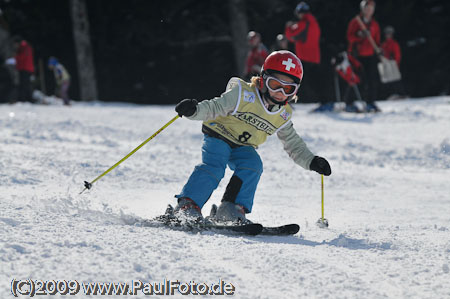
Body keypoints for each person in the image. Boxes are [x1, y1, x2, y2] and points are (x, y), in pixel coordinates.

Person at [173, 50, 332, 223]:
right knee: (215, 166)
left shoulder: (283, 115)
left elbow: (293, 144)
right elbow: (214, 107)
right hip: (219, 134)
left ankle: (231, 208)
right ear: (263, 80)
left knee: (253, 165)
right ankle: (187, 206)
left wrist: (311, 161)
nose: (280, 92)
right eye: (274, 84)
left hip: (243, 146)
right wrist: (195, 110)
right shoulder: (242, 94)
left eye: (287, 88)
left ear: (294, 91)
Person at [346, 0, 381, 112]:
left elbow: (377, 41)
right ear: (363, 9)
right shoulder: (356, 22)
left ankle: (370, 102)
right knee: (356, 79)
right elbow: (349, 37)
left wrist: (379, 50)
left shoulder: (374, 24)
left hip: (369, 55)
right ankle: (349, 103)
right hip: (357, 55)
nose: (369, 10)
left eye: (371, 8)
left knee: (371, 80)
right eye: (367, 8)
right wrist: (359, 36)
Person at [285, 2, 322, 104]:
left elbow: (290, 36)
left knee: (303, 82)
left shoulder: (303, 23)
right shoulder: (314, 22)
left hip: (305, 57)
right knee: (314, 81)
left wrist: (288, 27)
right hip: (315, 57)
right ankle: (316, 100)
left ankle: (307, 101)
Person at [380, 26, 406, 100]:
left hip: (393, 64)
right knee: (388, 81)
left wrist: (395, 63)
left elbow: (398, 55)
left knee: (396, 80)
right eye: (387, 34)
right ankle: (391, 94)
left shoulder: (394, 44)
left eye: (389, 34)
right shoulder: (383, 44)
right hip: (386, 64)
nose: (388, 35)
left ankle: (401, 94)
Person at [12, 36, 34, 102]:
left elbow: (24, 57)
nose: (15, 46)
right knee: (25, 84)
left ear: (18, 42)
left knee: (24, 84)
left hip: (25, 68)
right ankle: (27, 99)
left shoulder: (24, 47)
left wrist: (15, 57)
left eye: (15, 44)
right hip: (25, 68)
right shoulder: (25, 46)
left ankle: (24, 99)